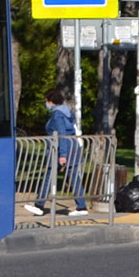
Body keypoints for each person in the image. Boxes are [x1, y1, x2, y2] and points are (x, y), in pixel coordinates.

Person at [26, 88, 89, 217]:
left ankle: (39, 205)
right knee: (74, 178)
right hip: (73, 146)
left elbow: (61, 134)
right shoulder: (66, 111)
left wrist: (63, 155)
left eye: (46, 100)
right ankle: (81, 206)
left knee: (49, 176)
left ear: (51, 101)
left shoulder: (57, 114)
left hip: (62, 149)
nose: (46, 103)